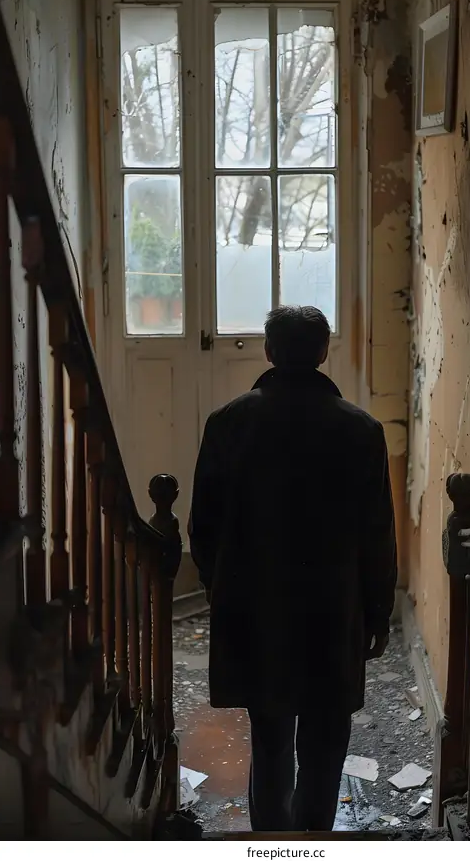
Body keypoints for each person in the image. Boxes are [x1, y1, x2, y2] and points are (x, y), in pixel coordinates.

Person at [188, 305, 397, 832]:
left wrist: (221, 587)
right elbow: (377, 533)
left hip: (258, 607)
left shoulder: (227, 423)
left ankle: (272, 839)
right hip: (332, 606)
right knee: (326, 738)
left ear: (268, 351)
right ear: (324, 351)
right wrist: (377, 610)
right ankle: (313, 838)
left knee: (270, 732)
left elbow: (204, 526)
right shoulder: (361, 430)